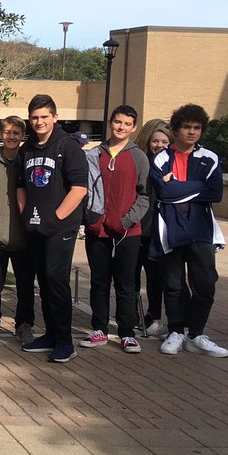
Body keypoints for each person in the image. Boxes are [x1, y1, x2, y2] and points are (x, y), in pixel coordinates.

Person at [150, 103, 228, 358]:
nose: (192, 132)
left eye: (197, 128)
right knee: (173, 284)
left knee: (205, 283)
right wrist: (196, 187)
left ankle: (197, 333)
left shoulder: (210, 157)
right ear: (175, 129)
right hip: (170, 227)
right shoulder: (161, 157)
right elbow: (163, 192)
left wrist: (178, 187)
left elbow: (215, 193)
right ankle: (176, 331)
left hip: (200, 227)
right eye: (186, 127)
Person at [17, 95, 88, 364]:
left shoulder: (69, 147)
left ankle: (65, 342)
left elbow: (79, 190)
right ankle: (50, 334)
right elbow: (20, 186)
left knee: (57, 282)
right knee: (44, 283)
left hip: (61, 228)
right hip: (35, 227)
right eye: (35, 117)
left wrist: (54, 219)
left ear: (55, 118)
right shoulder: (27, 149)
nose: (39, 122)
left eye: (44, 117)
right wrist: (26, 215)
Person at [80, 105, 150, 354]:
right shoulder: (93, 154)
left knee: (126, 283)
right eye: (117, 122)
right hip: (97, 229)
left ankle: (127, 333)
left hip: (127, 232)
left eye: (127, 124)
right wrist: (89, 218)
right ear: (110, 123)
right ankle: (98, 328)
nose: (121, 127)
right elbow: (83, 189)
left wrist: (126, 221)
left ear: (134, 127)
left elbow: (144, 196)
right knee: (99, 281)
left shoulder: (138, 157)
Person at [0, 116, 36, 345]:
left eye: (16, 133)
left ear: (22, 136)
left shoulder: (29, 161)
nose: (11, 137)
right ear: (1, 135)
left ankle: (24, 324)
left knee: (25, 285)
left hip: (24, 237)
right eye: (7, 132)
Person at [134, 119, 172, 338]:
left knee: (156, 277)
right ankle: (132, 315)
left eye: (165, 141)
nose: (159, 145)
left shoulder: (170, 164)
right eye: (155, 140)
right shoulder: (140, 161)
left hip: (160, 231)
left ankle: (154, 315)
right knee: (131, 276)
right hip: (137, 226)